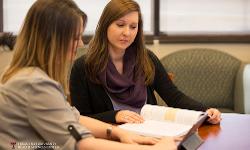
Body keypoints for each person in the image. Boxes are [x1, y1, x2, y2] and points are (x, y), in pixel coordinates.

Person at [0, 0, 177, 149]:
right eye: (75, 37)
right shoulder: (34, 83)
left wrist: (117, 132)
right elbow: (80, 143)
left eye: (133, 26)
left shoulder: (26, 75)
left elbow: (73, 117)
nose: (80, 44)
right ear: (53, 39)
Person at [70, 0, 221, 124]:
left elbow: (174, 97)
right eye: (120, 25)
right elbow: (80, 119)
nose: (127, 33)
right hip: (109, 138)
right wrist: (115, 116)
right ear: (105, 26)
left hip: (149, 132)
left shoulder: (146, 59)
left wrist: (206, 111)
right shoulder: (82, 67)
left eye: (133, 27)